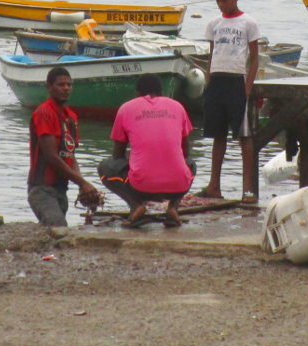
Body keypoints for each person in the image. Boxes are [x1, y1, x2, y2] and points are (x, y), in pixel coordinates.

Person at [98, 73, 196, 228]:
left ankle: (136, 206)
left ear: (137, 93)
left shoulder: (126, 108)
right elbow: (186, 152)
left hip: (141, 187)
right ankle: (173, 208)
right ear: (161, 92)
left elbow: (117, 155)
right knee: (191, 164)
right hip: (178, 186)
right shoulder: (177, 106)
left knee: (105, 167)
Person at [198, 0, 260, 202]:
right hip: (217, 81)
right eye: (217, 1)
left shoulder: (248, 23)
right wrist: (208, 79)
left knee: (244, 136)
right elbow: (212, 54)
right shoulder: (214, 23)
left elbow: (254, 60)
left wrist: (248, 87)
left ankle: (248, 190)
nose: (221, 5)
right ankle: (214, 185)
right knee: (218, 134)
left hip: (237, 82)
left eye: (224, 0)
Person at [27, 66, 103, 227]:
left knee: (53, 231)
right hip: (42, 188)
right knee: (58, 226)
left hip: (61, 189)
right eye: (60, 85)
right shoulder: (44, 113)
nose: (66, 88)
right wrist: (82, 183)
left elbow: (70, 155)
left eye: (69, 85)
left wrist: (82, 186)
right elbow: (51, 156)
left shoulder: (71, 117)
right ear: (49, 87)